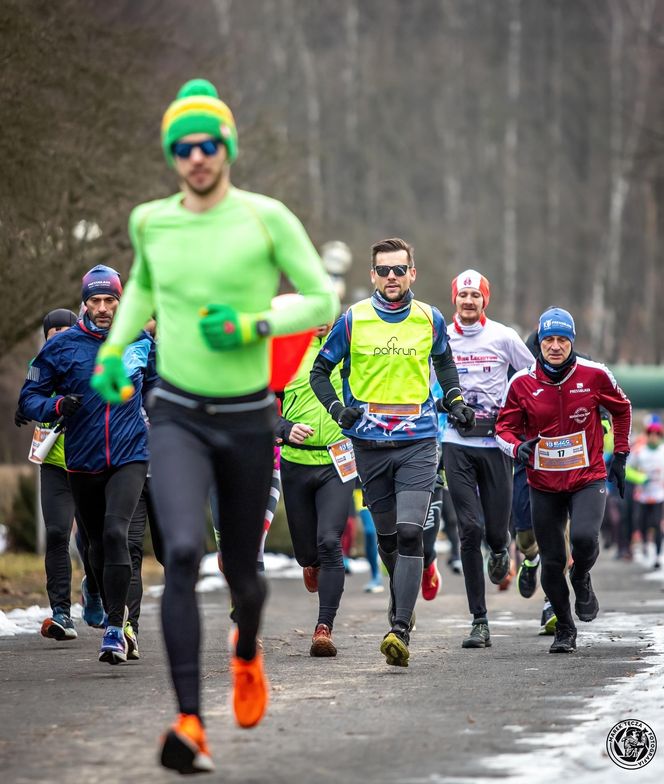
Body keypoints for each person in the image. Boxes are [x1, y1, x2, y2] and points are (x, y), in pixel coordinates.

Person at [89, 78, 337, 774]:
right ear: (171, 155)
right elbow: (143, 287)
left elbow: (321, 297)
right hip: (176, 414)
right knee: (183, 556)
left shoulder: (267, 217)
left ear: (227, 147)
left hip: (250, 418)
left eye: (207, 144)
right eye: (182, 147)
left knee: (241, 570)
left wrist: (255, 324)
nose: (196, 157)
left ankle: (247, 649)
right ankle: (190, 722)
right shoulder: (151, 221)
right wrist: (113, 352)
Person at [310, 237, 473, 668]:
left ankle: (399, 628)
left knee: (409, 532)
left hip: (419, 443)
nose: (392, 278)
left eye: (399, 270)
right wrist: (338, 410)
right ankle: (404, 596)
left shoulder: (430, 318)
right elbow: (320, 372)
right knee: (385, 540)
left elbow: (445, 363)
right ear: (373, 276)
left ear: (412, 274)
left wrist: (454, 399)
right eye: (384, 270)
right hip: (369, 446)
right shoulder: (353, 319)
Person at [19, 266, 155, 664]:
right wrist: (56, 405)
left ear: (120, 301)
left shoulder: (139, 341)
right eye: (94, 301)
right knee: (94, 543)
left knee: (117, 533)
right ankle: (100, 600)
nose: (102, 308)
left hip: (131, 455)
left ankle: (116, 628)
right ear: (84, 303)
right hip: (82, 460)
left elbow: (165, 383)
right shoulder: (62, 347)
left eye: (109, 300)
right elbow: (29, 396)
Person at [496, 307, 632, 653]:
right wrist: (517, 448)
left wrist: (621, 453)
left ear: (572, 342)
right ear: (539, 343)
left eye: (562, 340)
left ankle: (582, 576)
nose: (555, 347)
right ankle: (565, 629)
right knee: (552, 561)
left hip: (587, 478)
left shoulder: (595, 374)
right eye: (548, 340)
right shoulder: (522, 382)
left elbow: (622, 407)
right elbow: (504, 428)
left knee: (585, 540)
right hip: (543, 484)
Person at [442, 269, 533, 649]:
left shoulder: (503, 336)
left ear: (484, 301)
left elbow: (532, 374)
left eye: (474, 296)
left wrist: (516, 411)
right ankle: (479, 620)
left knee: (496, 531)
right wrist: (439, 401)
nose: (467, 302)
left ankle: (501, 550)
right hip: (455, 441)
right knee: (468, 528)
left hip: (495, 444)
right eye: (462, 296)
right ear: (454, 300)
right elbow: (425, 377)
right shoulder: (441, 337)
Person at [14, 308, 104, 640]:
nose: (62, 335)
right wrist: (24, 407)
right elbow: (32, 394)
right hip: (54, 463)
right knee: (56, 533)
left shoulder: (88, 358)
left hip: (90, 460)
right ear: (47, 335)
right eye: (55, 331)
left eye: (68, 328)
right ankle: (61, 613)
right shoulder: (43, 363)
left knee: (94, 540)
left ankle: (93, 589)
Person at [277, 324, 355, 656]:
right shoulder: (284, 351)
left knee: (329, 542)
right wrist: (284, 427)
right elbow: (260, 404)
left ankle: (324, 628)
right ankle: (311, 563)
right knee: (308, 553)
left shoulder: (349, 348)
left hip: (338, 460)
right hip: (296, 462)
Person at [628, 421, 664, 569]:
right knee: (640, 524)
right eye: (651, 434)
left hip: (658, 495)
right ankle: (643, 545)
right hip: (642, 496)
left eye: (657, 434)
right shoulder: (639, 451)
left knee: (656, 524)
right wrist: (641, 478)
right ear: (647, 435)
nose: (653, 437)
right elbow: (627, 470)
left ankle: (656, 555)